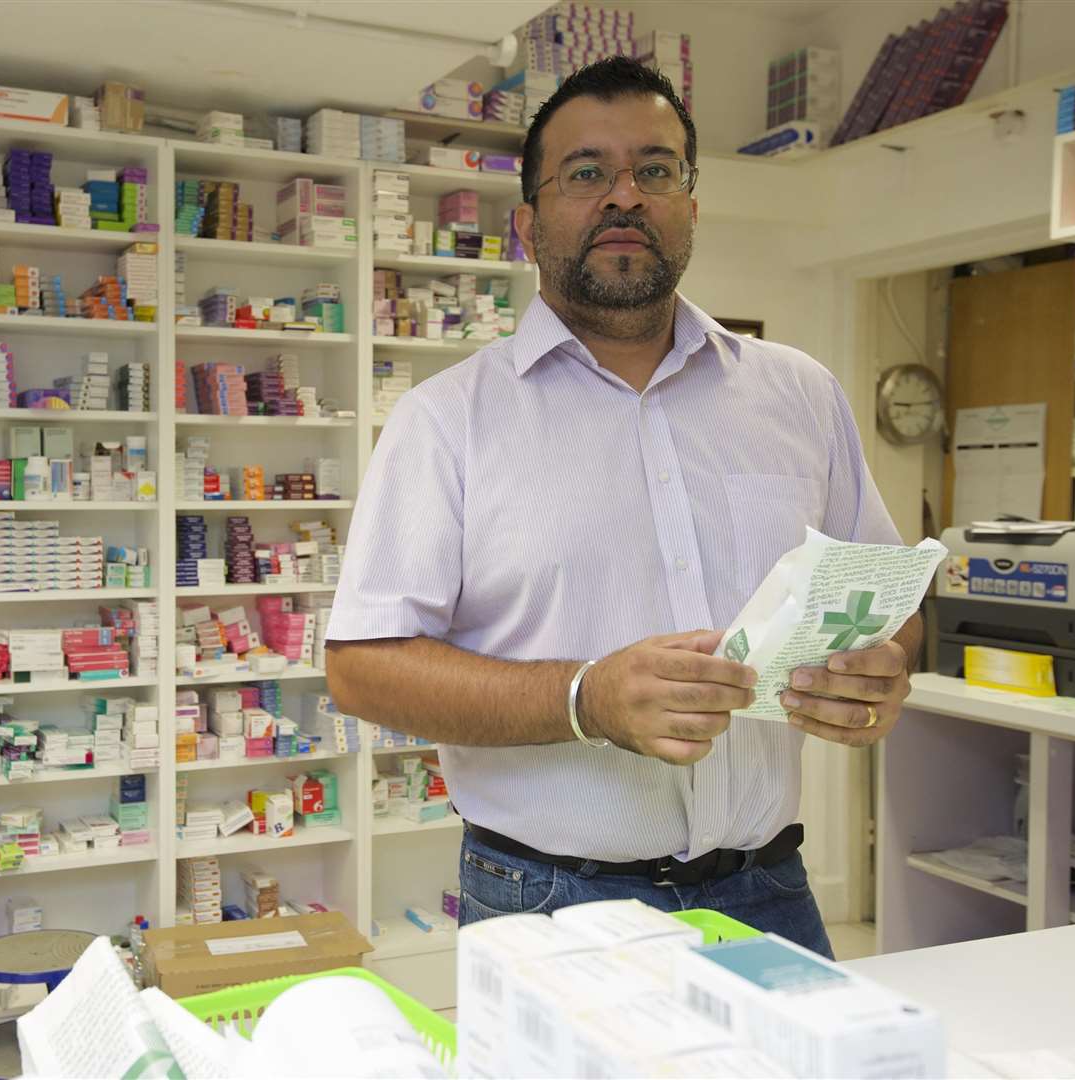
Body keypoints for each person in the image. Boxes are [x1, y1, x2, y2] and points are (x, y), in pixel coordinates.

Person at [324, 57, 920, 957]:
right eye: (586, 173)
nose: (624, 196)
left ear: (689, 202)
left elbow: (890, 598)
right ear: (527, 225)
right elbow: (361, 669)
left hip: (768, 891)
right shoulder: (447, 420)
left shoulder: (798, 394)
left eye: (655, 168)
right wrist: (583, 697)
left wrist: (876, 672)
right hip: (548, 903)